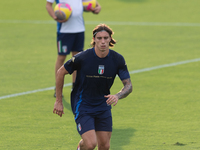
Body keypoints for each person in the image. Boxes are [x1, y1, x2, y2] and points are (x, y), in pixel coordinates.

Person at [53, 24, 133, 150]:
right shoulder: (83, 57)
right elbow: (60, 72)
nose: (103, 42)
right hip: (83, 104)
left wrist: (117, 95)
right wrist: (58, 101)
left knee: (105, 145)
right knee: (90, 144)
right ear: (94, 39)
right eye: (99, 38)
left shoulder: (117, 59)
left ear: (110, 39)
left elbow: (128, 85)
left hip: (103, 104)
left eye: (106, 38)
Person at [46, 0, 101, 97]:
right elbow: (48, 5)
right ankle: (58, 87)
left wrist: (97, 7)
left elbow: (89, 2)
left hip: (79, 29)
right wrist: (55, 17)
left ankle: (75, 87)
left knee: (77, 59)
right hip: (64, 31)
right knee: (61, 57)